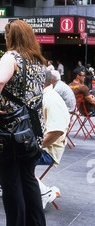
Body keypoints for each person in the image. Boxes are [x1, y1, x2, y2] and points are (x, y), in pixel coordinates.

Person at [0, 19, 47, 226]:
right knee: (28, 179)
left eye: (6, 34)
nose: (5, 38)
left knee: (10, 183)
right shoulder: (38, 61)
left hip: (10, 130)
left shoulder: (11, 56)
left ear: (12, 36)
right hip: (33, 129)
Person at [37, 70, 69, 209]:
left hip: (48, 151)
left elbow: (56, 131)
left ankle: (44, 192)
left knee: (14, 160)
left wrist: (35, 147)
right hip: (44, 145)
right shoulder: (45, 95)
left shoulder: (50, 99)